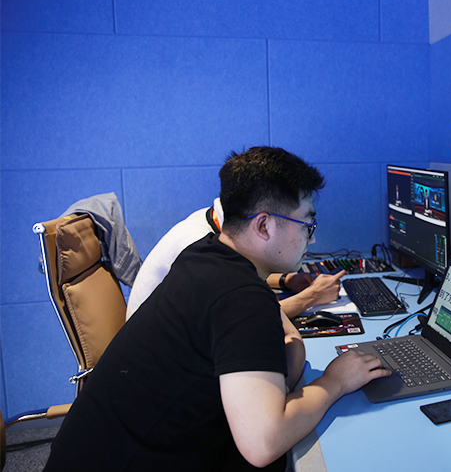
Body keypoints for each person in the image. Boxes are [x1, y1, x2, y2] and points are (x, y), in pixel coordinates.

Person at [44, 147, 391, 471]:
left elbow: (285, 353)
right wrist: (335, 382)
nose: (311, 240)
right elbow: (263, 443)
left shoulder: (205, 254)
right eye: (307, 226)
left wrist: (293, 349)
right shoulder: (240, 297)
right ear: (264, 225)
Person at [126, 197, 343, 320]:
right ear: (262, 225)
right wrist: (311, 296)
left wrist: (285, 280)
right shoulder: (201, 251)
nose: (310, 240)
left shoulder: (212, 221)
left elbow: (235, 274)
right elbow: (246, 318)